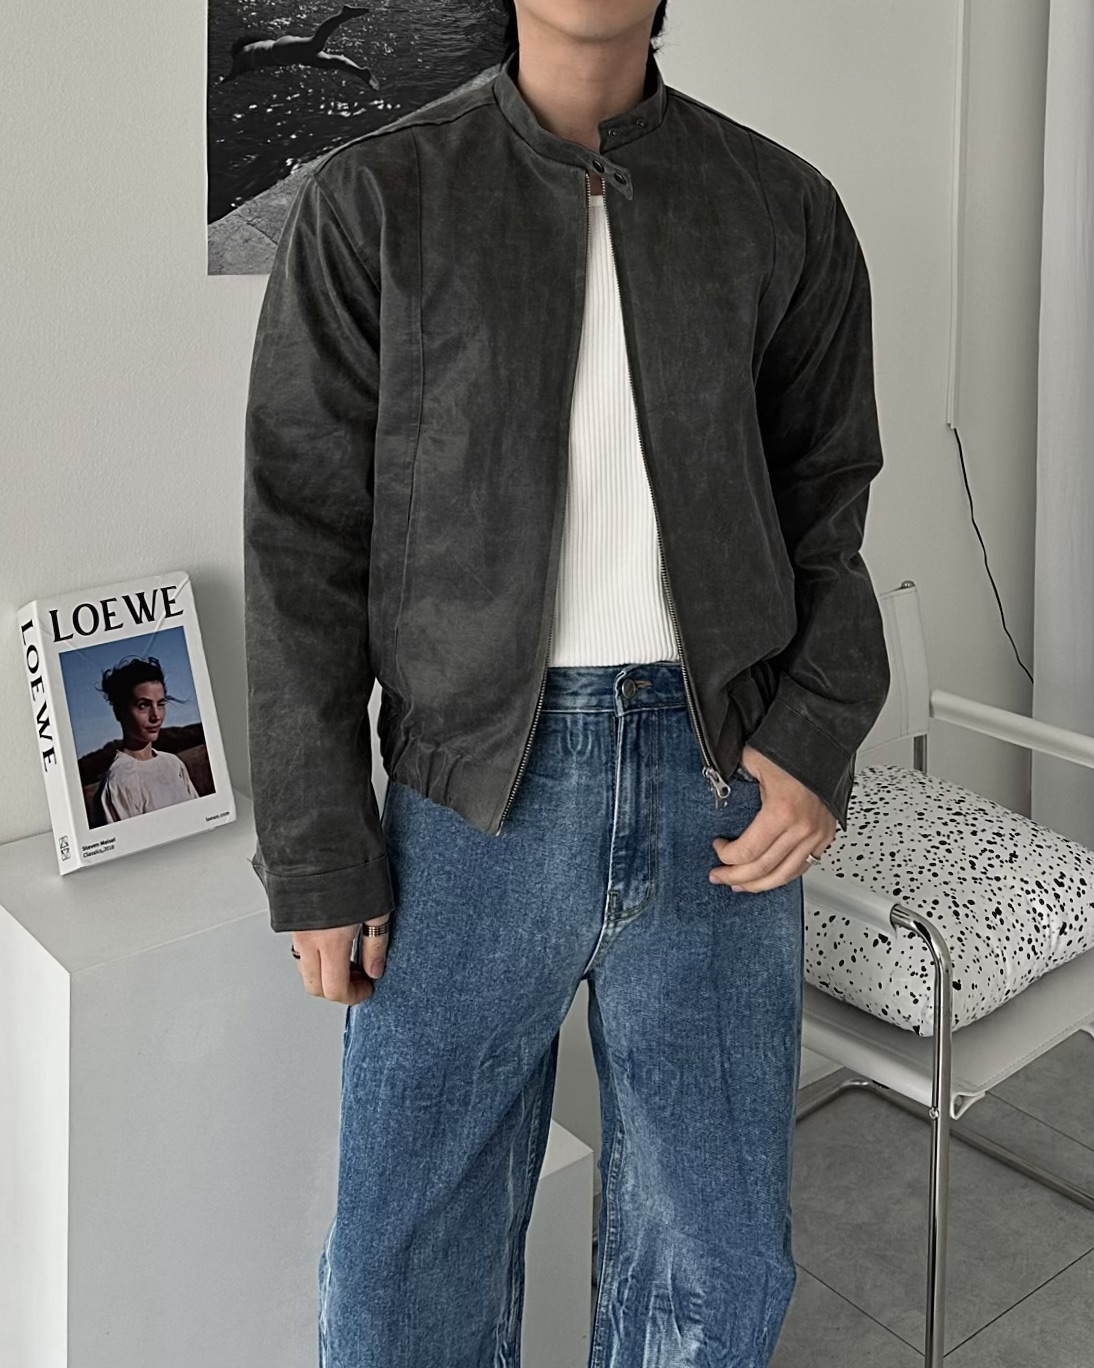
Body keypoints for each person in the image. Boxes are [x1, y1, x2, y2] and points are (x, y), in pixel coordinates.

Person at [242, 1, 891, 1363]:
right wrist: (316, 851)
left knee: (716, 1266)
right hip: (463, 804)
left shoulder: (778, 205)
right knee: (404, 1277)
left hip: (719, 792)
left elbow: (826, 503)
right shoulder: (375, 200)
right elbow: (303, 540)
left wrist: (813, 736)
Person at [94, 657, 200, 820]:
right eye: (143, 705)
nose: (156, 716)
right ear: (119, 712)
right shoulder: (116, 783)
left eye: (161, 704)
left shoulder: (174, 764)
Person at [222, 5, 380, 90]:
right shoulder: (253, 52)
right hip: (287, 55)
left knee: (315, 43)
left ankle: (343, 15)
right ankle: (361, 72)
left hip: (279, 50)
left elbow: (235, 70)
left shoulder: (243, 53)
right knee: (329, 62)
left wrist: (225, 80)